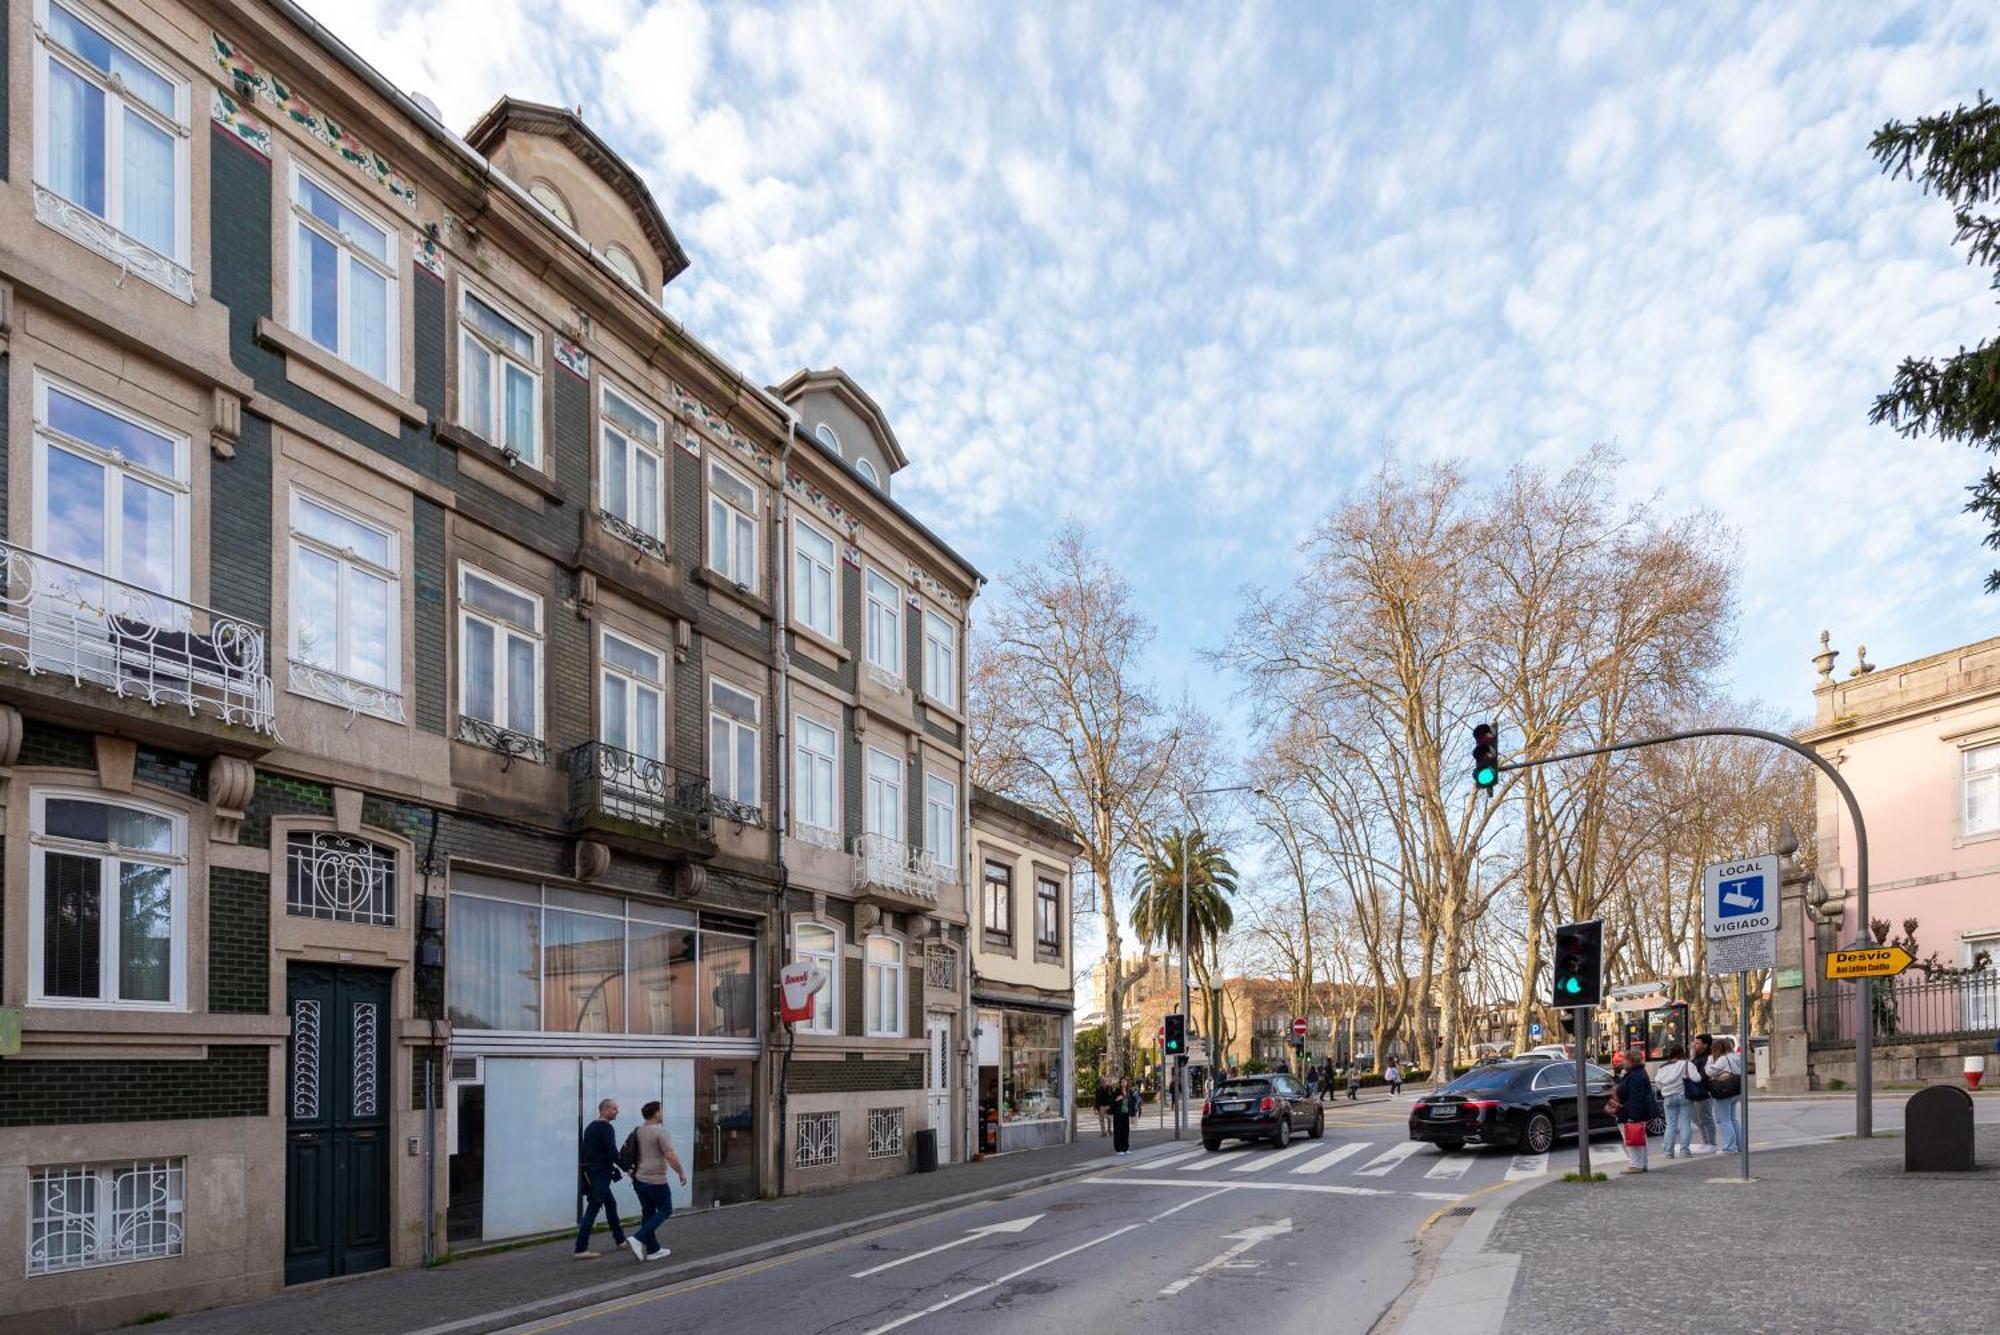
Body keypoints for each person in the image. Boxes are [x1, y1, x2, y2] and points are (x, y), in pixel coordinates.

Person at [627, 1100, 688, 1261]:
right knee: (665, 1209)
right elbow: (670, 1155)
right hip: (655, 1179)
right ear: (655, 1113)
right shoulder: (660, 1132)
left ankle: (653, 1250)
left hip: (639, 1179)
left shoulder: (639, 1130)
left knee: (648, 1213)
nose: (662, 1114)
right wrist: (681, 1172)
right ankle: (638, 1238)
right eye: (661, 1111)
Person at [574, 1098, 628, 1258]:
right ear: (604, 1110)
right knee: (592, 1210)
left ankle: (620, 1240)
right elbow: (612, 1152)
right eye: (614, 1108)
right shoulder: (606, 1128)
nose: (617, 1111)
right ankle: (580, 1249)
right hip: (600, 1175)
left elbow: (587, 1153)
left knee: (610, 1204)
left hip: (593, 1173)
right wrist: (627, 1168)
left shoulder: (590, 1127)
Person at [1613, 1048, 1655, 1174]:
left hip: (1629, 1111)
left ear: (1631, 1061)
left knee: (1632, 1138)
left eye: (1624, 1059)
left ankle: (1636, 1164)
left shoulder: (1636, 1075)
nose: (1622, 1062)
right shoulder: (1636, 1073)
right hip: (1631, 1110)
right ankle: (1642, 1164)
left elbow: (1635, 1097)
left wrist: (1632, 1116)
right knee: (1639, 1137)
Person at [1654, 1044, 1699, 1159]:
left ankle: (1668, 1152)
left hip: (1668, 1097)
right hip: (1684, 1096)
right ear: (1682, 1053)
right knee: (1685, 1123)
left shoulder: (1662, 1067)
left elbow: (1658, 1083)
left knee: (1670, 1125)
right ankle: (1684, 1151)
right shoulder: (1687, 1064)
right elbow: (1697, 1078)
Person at [1708, 1037, 1744, 1154]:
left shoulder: (1723, 1058)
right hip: (1736, 1090)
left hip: (1724, 1091)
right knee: (1733, 1119)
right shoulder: (1736, 1056)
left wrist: (1710, 1061)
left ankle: (1729, 1147)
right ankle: (1739, 1146)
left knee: (1723, 1120)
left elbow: (1709, 1072)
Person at [1687, 1034, 1717, 1154]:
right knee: (1697, 1118)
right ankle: (1706, 1142)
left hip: (1704, 1091)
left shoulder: (1708, 1058)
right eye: (1695, 1043)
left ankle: (1711, 1143)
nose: (1695, 1045)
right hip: (1695, 1092)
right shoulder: (1696, 1057)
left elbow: (1705, 1074)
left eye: (1698, 1043)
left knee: (1706, 1118)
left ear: (1706, 1045)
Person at [1111, 1077, 1137, 1154]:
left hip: (1126, 1114)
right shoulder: (1117, 1091)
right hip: (1118, 1114)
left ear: (1127, 1083)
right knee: (1118, 1131)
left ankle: (1125, 1148)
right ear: (1120, 1083)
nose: (1124, 1083)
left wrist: (1132, 1116)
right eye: (1122, 1082)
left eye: (1125, 1081)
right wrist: (1116, 1100)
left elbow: (1132, 1104)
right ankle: (1118, 1149)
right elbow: (1110, 1101)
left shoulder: (1129, 1092)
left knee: (1126, 1131)